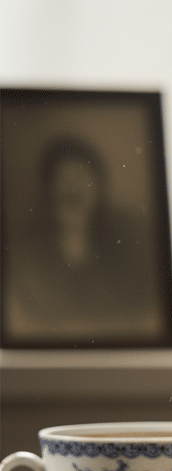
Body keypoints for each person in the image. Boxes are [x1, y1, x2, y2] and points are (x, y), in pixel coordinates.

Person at [3, 136, 159, 343]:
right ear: (48, 189)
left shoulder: (127, 243)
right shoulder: (24, 252)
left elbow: (138, 316)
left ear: (99, 185)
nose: (72, 186)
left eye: (80, 174)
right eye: (61, 177)